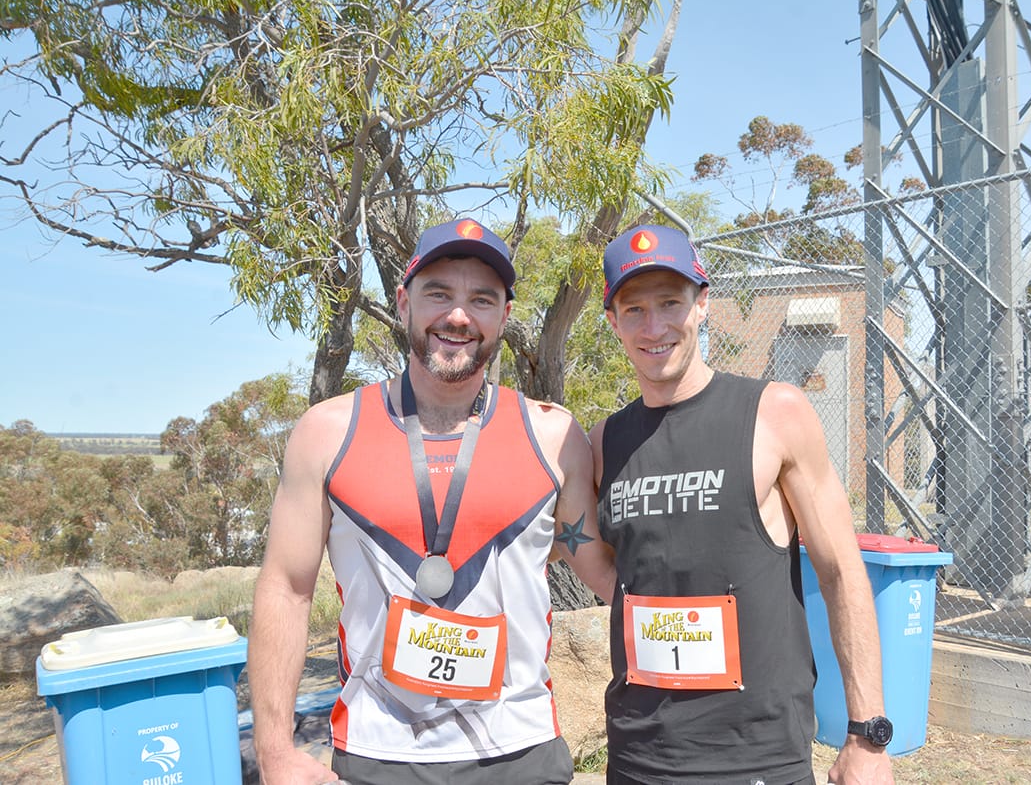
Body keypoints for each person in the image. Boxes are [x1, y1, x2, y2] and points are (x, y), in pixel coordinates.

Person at [248, 217, 616, 785]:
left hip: (520, 753)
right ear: (403, 303)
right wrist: (275, 752)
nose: (459, 315)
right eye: (438, 293)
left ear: (505, 317)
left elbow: (605, 573)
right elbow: (285, 588)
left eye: (481, 299)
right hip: (378, 754)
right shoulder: (326, 432)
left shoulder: (554, 436)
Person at [590, 224, 896, 785]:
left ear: (702, 304)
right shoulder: (603, 442)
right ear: (612, 322)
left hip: (755, 756)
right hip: (638, 755)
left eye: (670, 303)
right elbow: (605, 563)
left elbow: (840, 570)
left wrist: (867, 733)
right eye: (634, 310)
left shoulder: (775, 414)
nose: (654, 327)